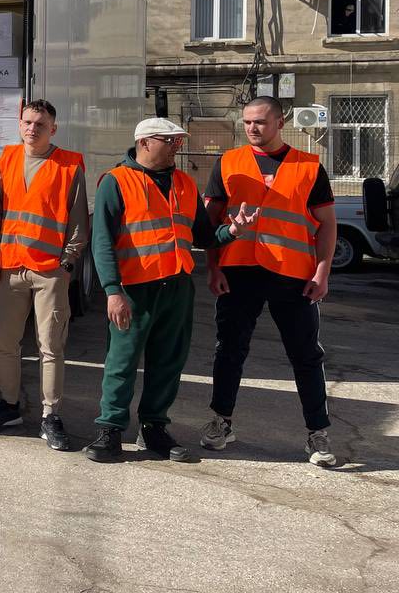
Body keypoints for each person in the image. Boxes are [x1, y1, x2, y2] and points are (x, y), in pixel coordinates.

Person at [84, 117, 258, 463]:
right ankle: (110, 429)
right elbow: (101, 242)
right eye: (170, 141)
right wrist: (113, 291)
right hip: (134, 290)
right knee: (121, 362)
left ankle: (154, 428)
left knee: (168, 362)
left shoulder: (184, 183)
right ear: (144, 143)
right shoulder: (116, 182)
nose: (177, 147)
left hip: (177, 288)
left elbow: (203, 236)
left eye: (178, 141)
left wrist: (232, 231)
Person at [200, 96, 338, 467]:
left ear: (280, 122)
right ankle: (221, 421)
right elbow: (210, 223)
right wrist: (214, 268)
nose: (252, 128)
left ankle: (317, 433)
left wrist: (322, 272)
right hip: (238, 272)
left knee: (306, 355)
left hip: (294, 276)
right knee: (229, 349)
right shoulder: (228, 163)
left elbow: (327, 224)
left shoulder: (309, 166)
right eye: (247, 122)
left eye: (260, 122)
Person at [0, 99, 89, 451]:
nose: (32, 129)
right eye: (27, 122)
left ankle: (50, 416)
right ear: (20, 124)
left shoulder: (69, 165)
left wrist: (66, 265)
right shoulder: (8, 158)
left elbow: (78, 223)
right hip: (10, 267)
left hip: (49, 272)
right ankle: (10, 404)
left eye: (40, 124)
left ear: (52, 129)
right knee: (5, 342)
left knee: (50, 346)